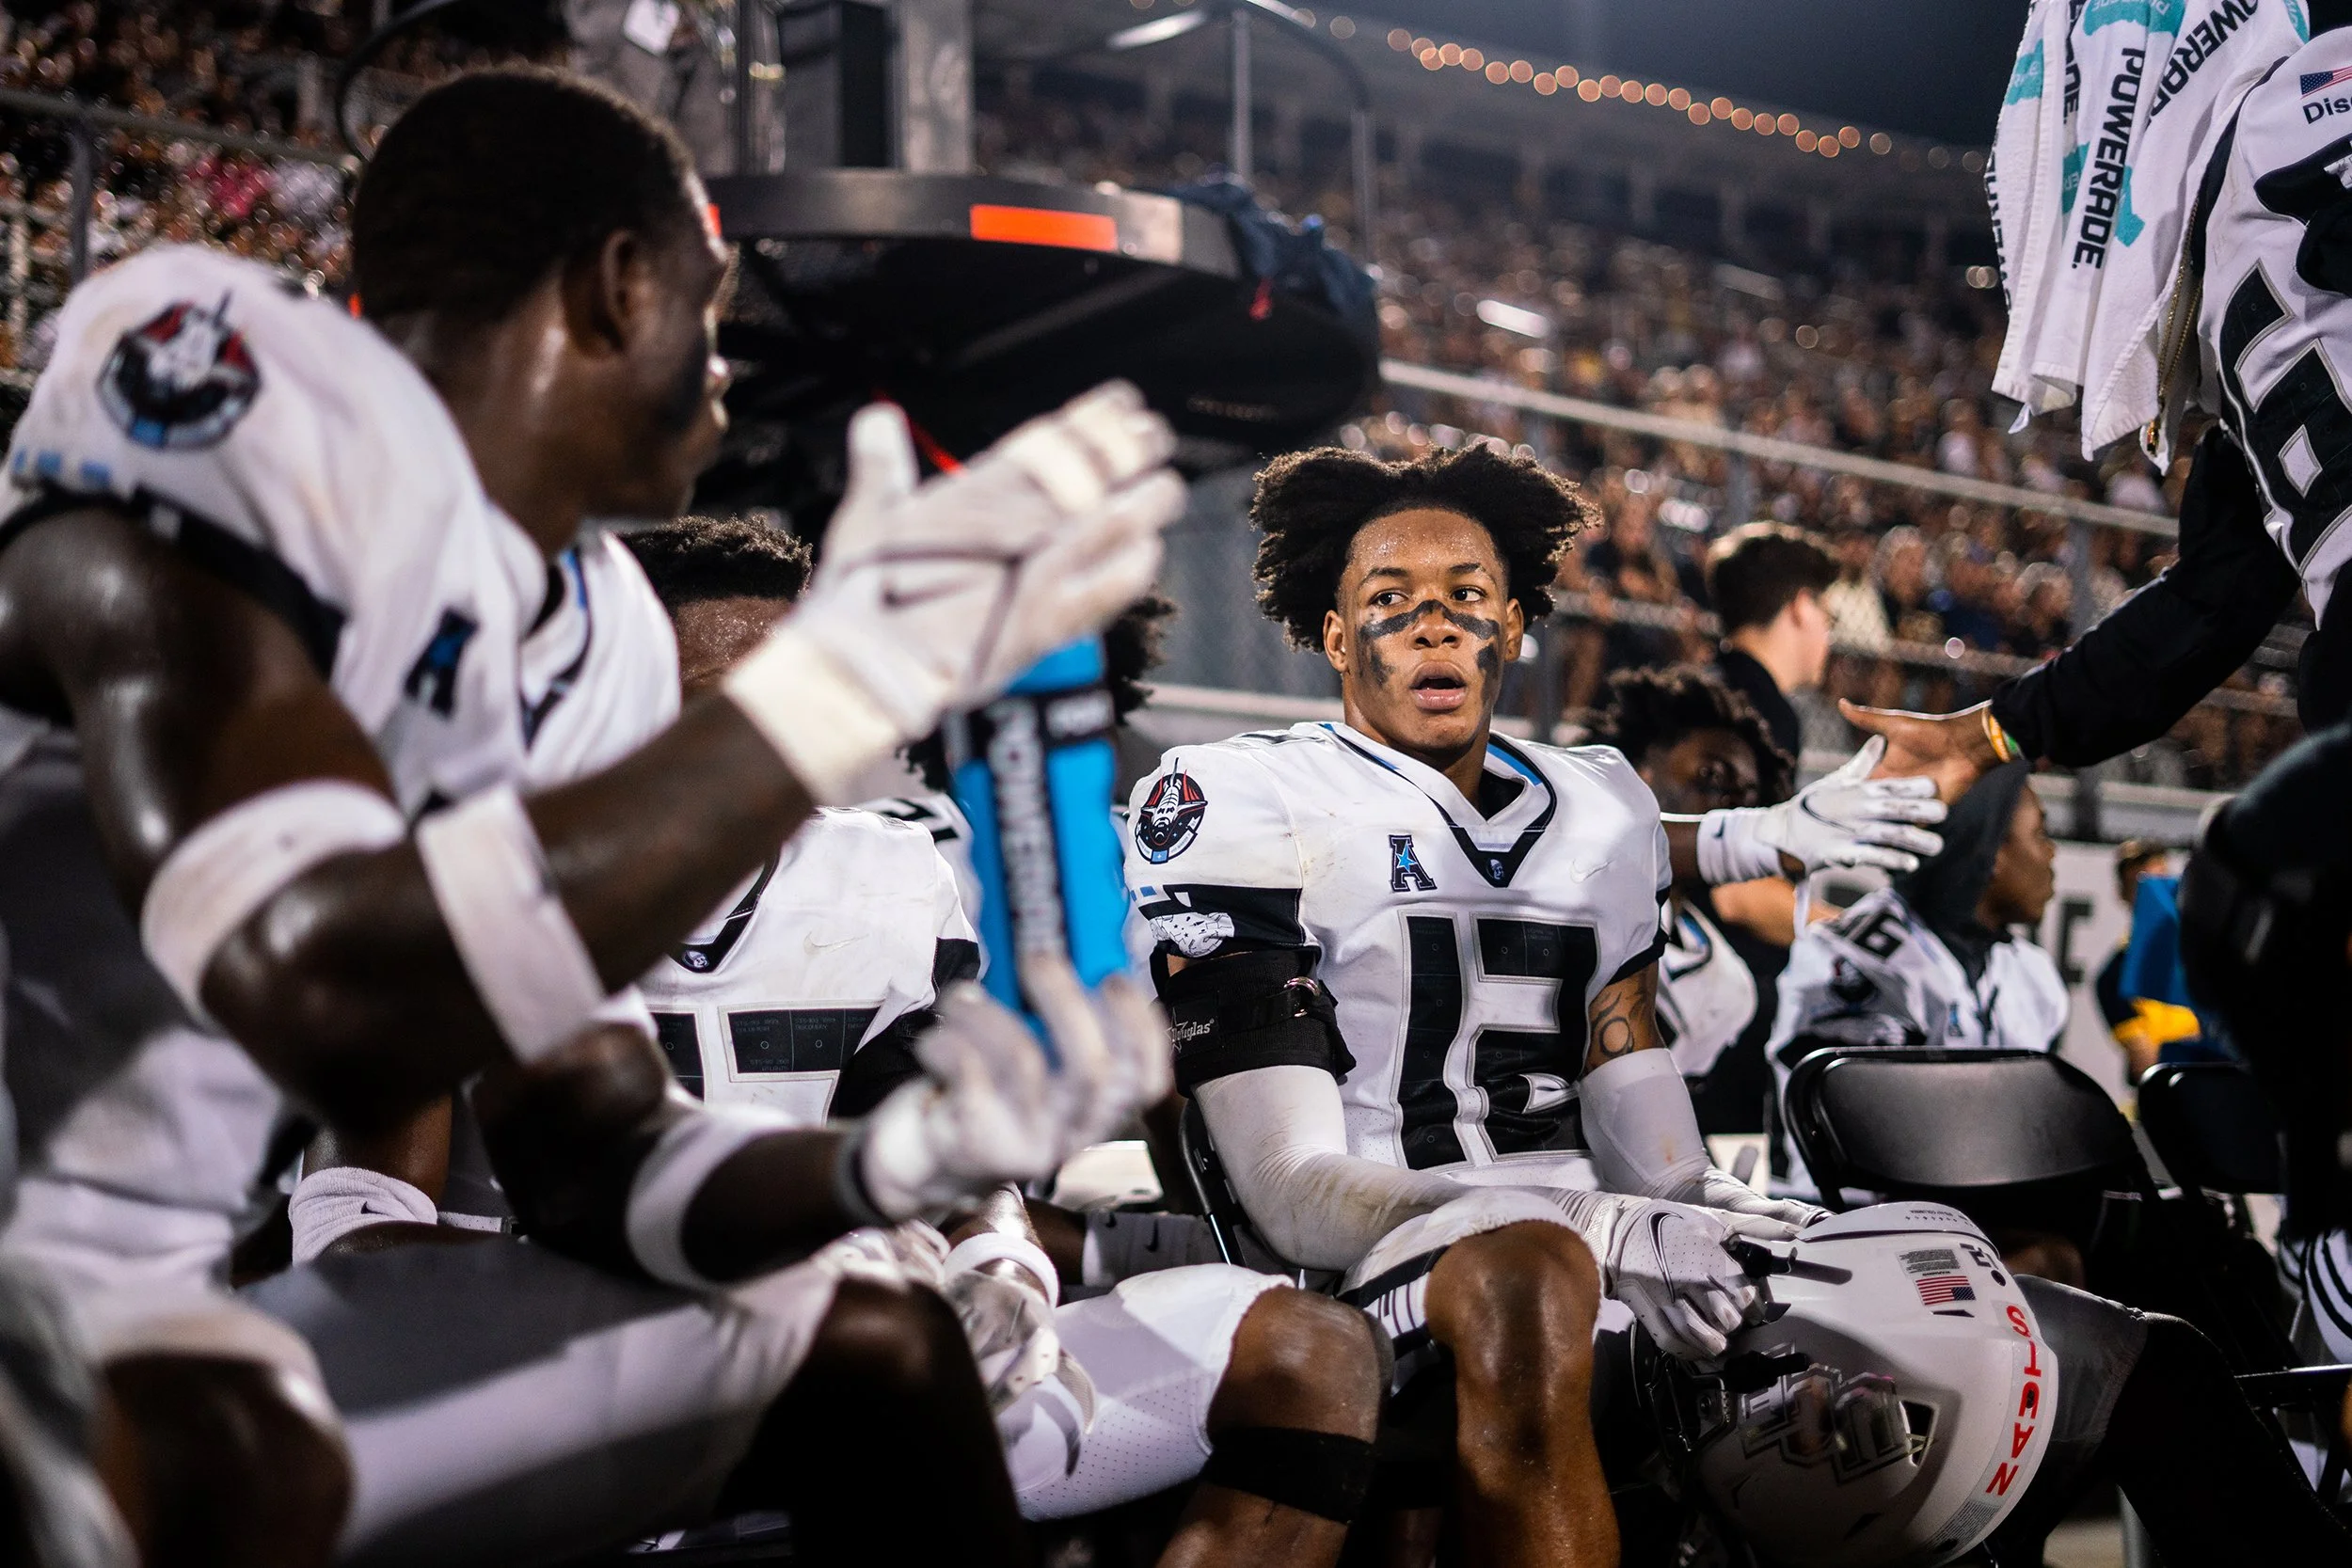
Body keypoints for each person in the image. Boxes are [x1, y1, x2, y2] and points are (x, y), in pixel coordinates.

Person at [0, 67, 1178, 1563]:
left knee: (872, 1339)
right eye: (712, 308)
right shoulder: (225, 396)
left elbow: (589, 1150)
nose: (728, 369)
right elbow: (327, 990)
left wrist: (901, 1167)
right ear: (625, 286)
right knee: (227, 1454)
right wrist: (830, 693)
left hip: (158, 1311)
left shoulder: (596, 628)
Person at [281, 515, 1386, 1564]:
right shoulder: (439, 886)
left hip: (849, 1366)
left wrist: (994, 1256)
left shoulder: (885, 877)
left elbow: (935, 1155)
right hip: (544, 1397)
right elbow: (350, 1252)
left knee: (1306, 1352)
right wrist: (721, 1307)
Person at [1122, 443, 1961, 1565]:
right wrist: (1603, 1230)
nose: (1432, 625)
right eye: (1389, 601)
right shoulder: (1244, 793)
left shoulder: (1601, 802)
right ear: (1332, 636)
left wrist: (1715, 1211)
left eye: (1466, 596)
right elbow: (1286, 1188)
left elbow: (1647, 1116)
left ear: (1513, 626)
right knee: (1532, 1274)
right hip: (1381, 1270)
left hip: (1615, 1254)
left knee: (1950, 1280)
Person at [1575, 666, 1800, 1136]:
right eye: (1711, 778)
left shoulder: (1725, 984)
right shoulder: (1556, 891)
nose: (1728, 811)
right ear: (1638, 772)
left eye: (1746, 801)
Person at [1704, 521, 1836, 762]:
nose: (1829, 637)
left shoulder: (1699, 691)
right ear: (1802, 607)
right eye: (1829, 619)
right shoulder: (1767, 719)